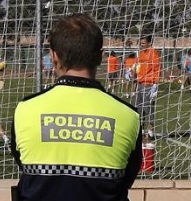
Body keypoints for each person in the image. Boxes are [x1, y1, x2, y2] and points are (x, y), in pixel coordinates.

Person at [11, 13, 142, 201]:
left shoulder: (25, 109)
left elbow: (24, 164)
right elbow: (126, 179)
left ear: (53, 56)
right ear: (100, 56)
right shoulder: (128, 115)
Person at [135, 35, 161, 144]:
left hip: (149, 85)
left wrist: (155, 84)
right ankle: (139, 132)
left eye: (144, 43)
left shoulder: (153, 53)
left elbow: (157, 68)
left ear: (149, 43)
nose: (142, 45)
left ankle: (150, 132)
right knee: (138, 109)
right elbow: (138, 66)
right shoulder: (141, 54)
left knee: (148, 109)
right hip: (140, 83)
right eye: (141, 43)